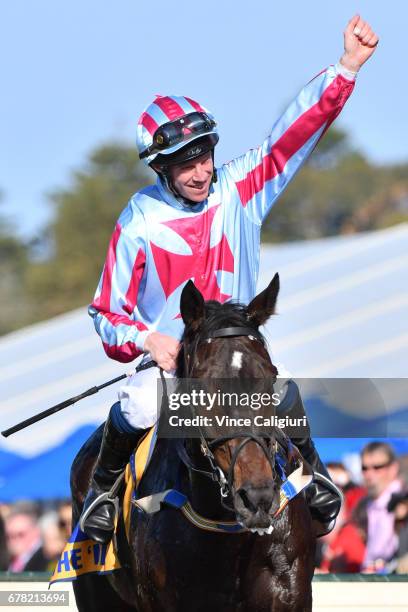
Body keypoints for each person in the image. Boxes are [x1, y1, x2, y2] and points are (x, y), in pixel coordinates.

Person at [80, 16, 379, 544]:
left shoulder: (242, 187)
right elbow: (106, 313)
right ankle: (103, 494)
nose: (199, 171)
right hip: (176, 361)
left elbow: (292, 136)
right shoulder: (137, 222)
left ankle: (316, 479)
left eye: (203, 155)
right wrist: (147, 339)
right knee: (142, 404)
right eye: (182, 164)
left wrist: (346, 69)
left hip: (235, 347)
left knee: (280, 391)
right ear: (160, 168)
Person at [358, 442, 402, 572]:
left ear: (393, 468)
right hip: (369, 579)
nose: (369, 474)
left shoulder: (403, 501)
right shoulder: (364, 506)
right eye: (364, 468)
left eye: (377, 467)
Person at [5, 505, 49, 572]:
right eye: (9, 536)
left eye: (20, 534)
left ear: (35, 531)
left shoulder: (47, 557)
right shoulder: (7, 561)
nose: (13, 540)